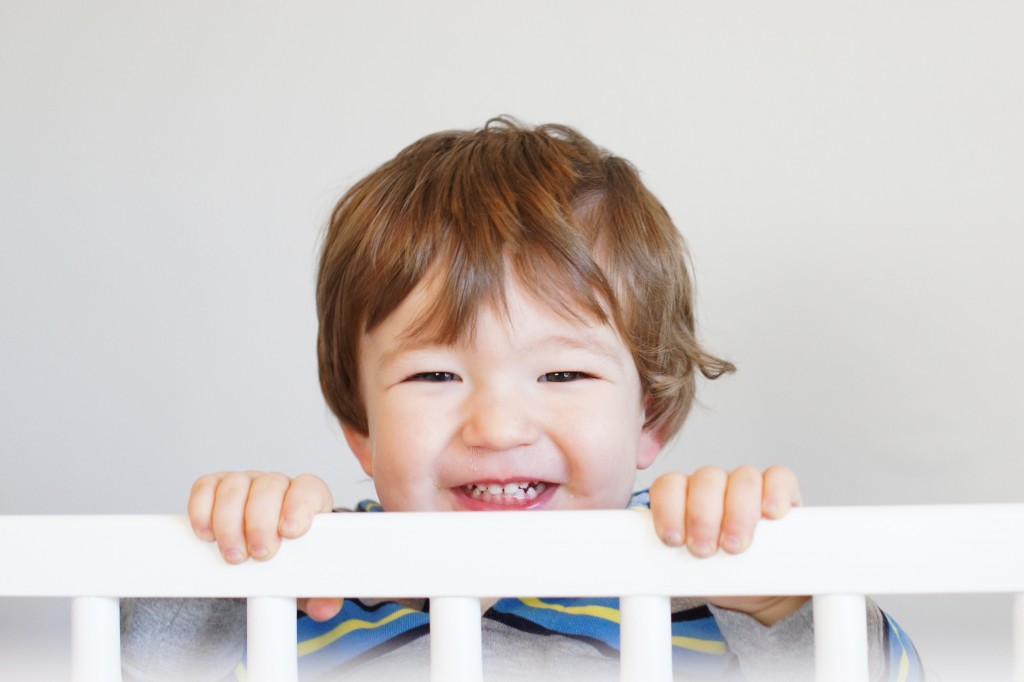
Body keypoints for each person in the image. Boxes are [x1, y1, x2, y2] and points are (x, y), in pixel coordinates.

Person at [121, 118, 922, 682]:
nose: (498, 427)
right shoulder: (310, 582)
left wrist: (782, 595)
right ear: (360, 429)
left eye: (562, 376)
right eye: (435, 377)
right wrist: (226, 553)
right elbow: (132, 655)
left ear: (652, 417)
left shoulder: (700, 576)